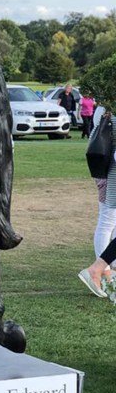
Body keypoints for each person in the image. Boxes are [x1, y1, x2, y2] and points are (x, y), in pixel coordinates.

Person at [80, 106, 116, 296]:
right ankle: (102, 269)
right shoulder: (107, 110)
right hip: (109, 176)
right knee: (107, 222)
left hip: (108, 174)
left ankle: (105, 268)